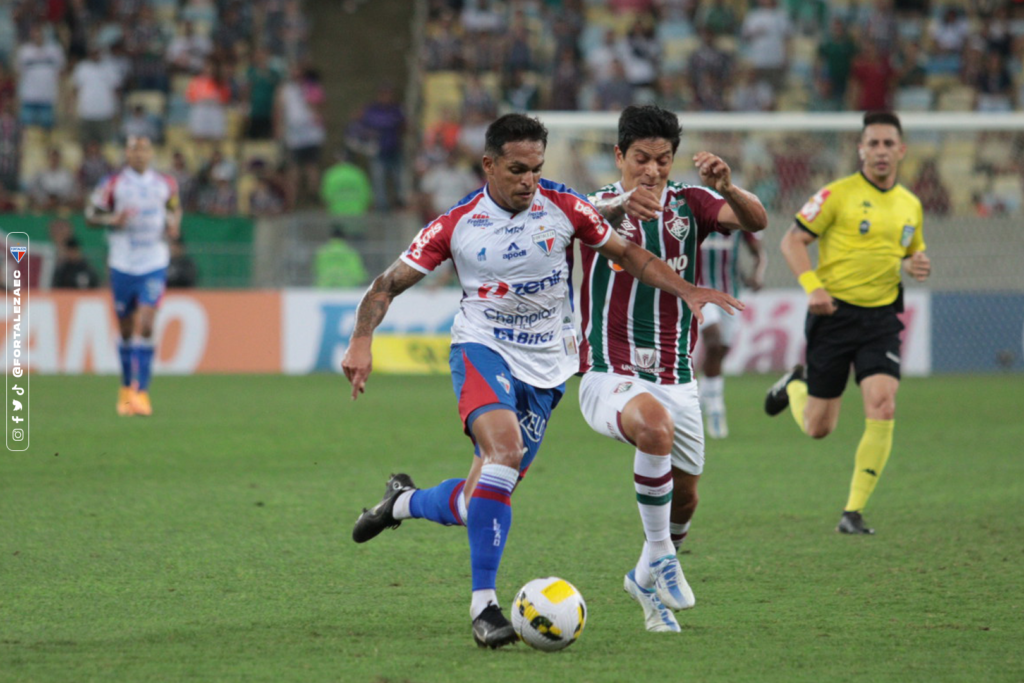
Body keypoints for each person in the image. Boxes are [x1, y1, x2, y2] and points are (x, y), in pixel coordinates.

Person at [343, 114, 740, 649]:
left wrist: (685, 289)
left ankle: (401, 502)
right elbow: (386, 285)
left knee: (476, 500)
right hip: (482, 349)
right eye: (516, 170)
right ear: (489, 165)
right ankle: (485, 608)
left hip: (548, 367)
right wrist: (362, 340)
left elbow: (629, 255)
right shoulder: (457, 223)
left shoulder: (563, 207)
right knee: (503, 454)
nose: (528, 181)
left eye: (536, 169)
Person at [581, 105, 767, 633]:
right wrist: (621, 205)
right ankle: (663, 557)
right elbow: (600, 221)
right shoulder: (596, 205)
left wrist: (729, 188)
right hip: (608, 372)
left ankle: (644, 579)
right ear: (620, 156)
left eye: (663, 160)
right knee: (653, 429)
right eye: (641, 158)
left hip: (676, 377)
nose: (653, 170)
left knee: (685, 496)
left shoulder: (692, 204)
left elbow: (756, 220)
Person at [764, 111, 931, 535]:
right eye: (872, 143)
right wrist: (812, 287)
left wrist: (916, 263)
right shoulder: (836, 195)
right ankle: (796, 385)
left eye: (887, 143)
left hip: (881, 318)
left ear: (901, 150)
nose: (880, 151)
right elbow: (791, 240)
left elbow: (910, 250)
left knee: (883, 402)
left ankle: (852, 512)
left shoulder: (911, 204)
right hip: (833, 316)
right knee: (819, 428)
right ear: (860, 149)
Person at [86, 136, 182, 417]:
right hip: (122, 262)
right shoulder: (113, 183)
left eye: (143, 149)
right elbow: (90, 215)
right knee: (126, 328)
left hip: (154, 260)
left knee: (149, 322)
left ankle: (143, 392)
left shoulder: (165, 183)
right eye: (133, 150)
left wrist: (175, 225)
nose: (139, 154)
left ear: (151, 153)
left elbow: (174, 208)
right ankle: (127, 389)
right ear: (126, 154)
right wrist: (110, 220)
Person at [698, 227, 766, 438]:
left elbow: (758, 253)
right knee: (714, 342)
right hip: (699, 290)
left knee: (721, 350)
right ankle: (716, 408)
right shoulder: (692, 211)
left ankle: (703, 394)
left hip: (730, 292)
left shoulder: (736, 217)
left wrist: (756, 275)